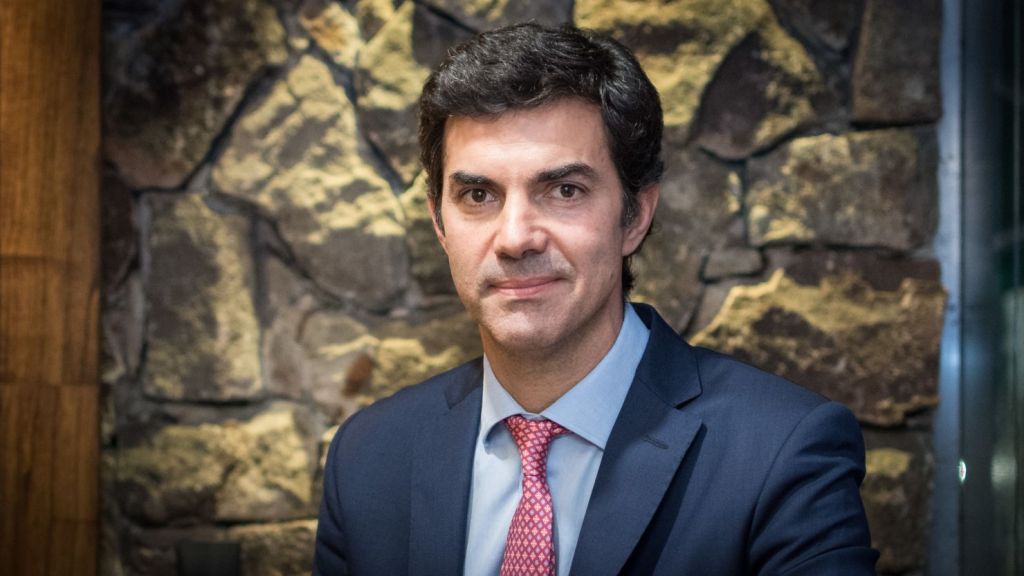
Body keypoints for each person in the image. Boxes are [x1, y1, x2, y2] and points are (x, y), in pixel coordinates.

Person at [314, 23, 877, 576]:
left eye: (564, 190)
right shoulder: (367, 458)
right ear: (439, 224)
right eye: (478, 195)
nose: (515, 238)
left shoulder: (783, 452)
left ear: (635, 217)